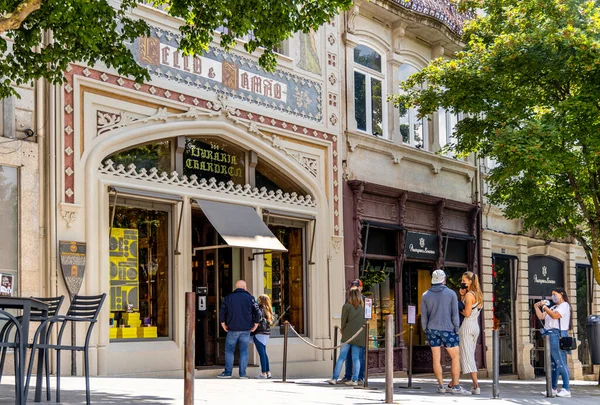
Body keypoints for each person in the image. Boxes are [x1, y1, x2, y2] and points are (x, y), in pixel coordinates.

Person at [421, 269, 469, 395]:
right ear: (444, 279)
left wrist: (425, 329)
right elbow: (455, 315)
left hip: (432, 329)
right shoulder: (451, 293)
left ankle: (441, 386)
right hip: (448, 329)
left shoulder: (425, 295)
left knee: (436, 359)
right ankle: (456, 386)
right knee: (455, 357)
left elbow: (424, 316)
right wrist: (457, 329)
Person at [217, 280, 261, 379]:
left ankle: (228, 373)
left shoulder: (228, 298)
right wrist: (256, 324)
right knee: (244, 351)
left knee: (229, 350)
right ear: (245, 287)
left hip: (232, 329)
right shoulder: (250, 298)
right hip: (246, 329)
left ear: (236, 288)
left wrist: (223, 323)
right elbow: (257, 312)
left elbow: (222, 311)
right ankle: (242, 374)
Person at [534, 287, 572, 398]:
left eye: (555, 294)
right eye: (552, 295)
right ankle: (553, 388)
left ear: (561, 294)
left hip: (558, 335)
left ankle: (566, 388)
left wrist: (545, 306)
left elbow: (555, 316)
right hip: (549, 335)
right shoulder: (554, 306)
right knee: (554, 364)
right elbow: (541, 316)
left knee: (560, 362)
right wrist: (537, 307)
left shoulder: (565, 305)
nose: (553, 297)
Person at [328, 288, 365, 386]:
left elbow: (343, 320)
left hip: (347, 334)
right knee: (356, 358)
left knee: (341, 357)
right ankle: (355, 380)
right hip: (359, 335)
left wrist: (342, 329)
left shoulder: (346, 306)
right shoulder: (363, 307)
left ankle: (334, 378)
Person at [458, 271, 484, 395]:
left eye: (464, 280)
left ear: (470, 281)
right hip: (475, 326)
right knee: (467, 355)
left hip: (467, 327)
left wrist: (459, 306)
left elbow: (466, 313)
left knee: (468, 357)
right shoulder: (478, 294)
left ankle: (476, 386)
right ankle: (454, 383)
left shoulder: (469, 295)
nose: (462, 282)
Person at [340, 279, 365, 384]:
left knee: (359, 356)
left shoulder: (364, 300)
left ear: (361, 288)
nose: (354, 288)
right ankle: (349, 376)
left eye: (356, 286)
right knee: (349, 355)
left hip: (359, 332)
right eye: (353, 286)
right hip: (351, 332)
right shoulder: (349, 299)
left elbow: (366, 317)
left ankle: (359, 377)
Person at [253, 294, 273, 379]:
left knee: (262, 353)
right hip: (266, 334)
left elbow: (256, 319)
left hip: (259, 333)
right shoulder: (268, 310)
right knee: (264, 353)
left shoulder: (259, 309)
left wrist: (253, 329)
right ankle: (268, 372)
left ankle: (263, 373)